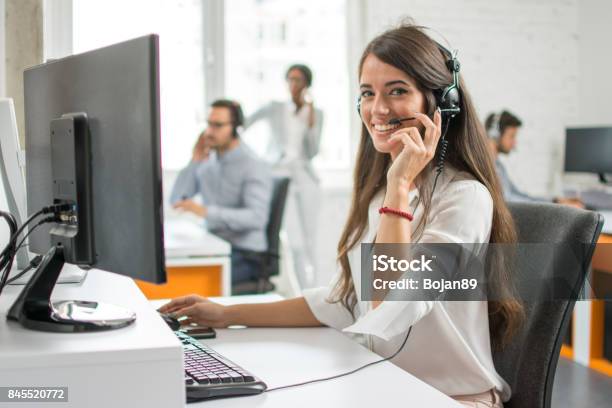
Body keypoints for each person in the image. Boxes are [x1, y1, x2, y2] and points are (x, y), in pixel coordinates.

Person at [161, 23, 525, 407]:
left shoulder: (464, 199)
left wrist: (400, 183)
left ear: (441, 103)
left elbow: (390, 306)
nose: (378, 109)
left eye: (397, 91)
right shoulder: (383, 195)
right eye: (368, 93)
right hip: (386, 386)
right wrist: (227, 313)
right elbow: (347, 300)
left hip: (452, 398)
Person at [170, 99, 273, 287]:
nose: (209, 132)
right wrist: (194, 160)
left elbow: (257, 218)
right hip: (213, 246)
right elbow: (177, 200)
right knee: (171, 272)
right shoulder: (208, 161)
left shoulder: (253, 164)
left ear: (236, 128)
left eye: (217, 125)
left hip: (246, 254)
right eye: (208, 124)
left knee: (188, 284)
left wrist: (206, 212)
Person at [243, 64, 324, 288]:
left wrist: (310, 124)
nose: (293, 84)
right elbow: (243, 124)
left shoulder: (316, 113)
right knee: (294, 241)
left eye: (298, 80)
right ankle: (301, 292)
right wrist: (259, 160)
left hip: (305, 177)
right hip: (280, 175)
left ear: (307, 84)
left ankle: (316, 289)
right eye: (289, 79)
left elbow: (313, 151)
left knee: (310, 240)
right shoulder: (274, 108)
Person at [485, 110, 584, 207]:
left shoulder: (499, 166)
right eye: (512, 136)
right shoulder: (488, 167)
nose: (514, 143)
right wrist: (558, 206)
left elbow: (519, 195)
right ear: (495, 135)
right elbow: (510, 201)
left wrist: (555, 200)